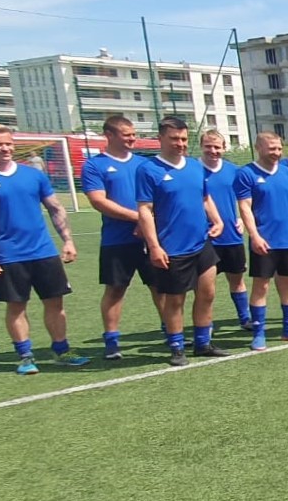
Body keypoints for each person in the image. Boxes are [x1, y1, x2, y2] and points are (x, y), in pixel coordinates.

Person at [0, 123, 89, 374]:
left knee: (55, 303)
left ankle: (62, 351)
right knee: (16, 306)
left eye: (9, 143)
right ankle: (25, 356)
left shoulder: (33, 175)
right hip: (8, 255)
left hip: (44, 252)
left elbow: (55, 208)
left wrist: (68, 240)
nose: (5, 148)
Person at [135, 117, 228, 368]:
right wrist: (154, 246)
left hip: (201, 243)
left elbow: (205, 198)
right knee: (175, 300)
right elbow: (145, 210)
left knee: (208, 293)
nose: (180, 144)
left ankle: (203, 343)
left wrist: (217, 220)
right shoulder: (148, 170)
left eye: (184, 139)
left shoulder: (195, 166)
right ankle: (176, 347)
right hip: (172, 248)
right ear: (161, 139)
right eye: (174, 139)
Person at [80, 114, 163, 359]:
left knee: (161, 286)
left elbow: (159, 197)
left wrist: (148, 221)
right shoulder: (94, 165)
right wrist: (138, 218)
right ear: (109, 135)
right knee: (116, 290)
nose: (132, 139)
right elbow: (98, 201)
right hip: (116, 240)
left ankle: (172, 331)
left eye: (134, 134)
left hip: (151, 239)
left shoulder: (144, 164)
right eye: (127, 135)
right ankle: (112, 340)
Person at [236, 132, 288, 351]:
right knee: (261, 286)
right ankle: (259, 333)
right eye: (271, 148)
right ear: (259, 148)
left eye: (279, 148)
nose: (276, 152)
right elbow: (244, 207)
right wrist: (254, 236)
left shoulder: (286, 173)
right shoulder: (246, 173)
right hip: (264, 241)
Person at [200, 130, 251, 331]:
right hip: (205, 237)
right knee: (205, 286)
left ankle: (245, 319)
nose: (213, 151)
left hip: (231, 235)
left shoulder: (234, 171)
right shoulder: (193, 170)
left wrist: (242, 219)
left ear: (224, 148)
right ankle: (205, 323)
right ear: (201, 147)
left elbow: (246, 199)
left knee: (237, 279)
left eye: (217, 147)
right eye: (208, 146)